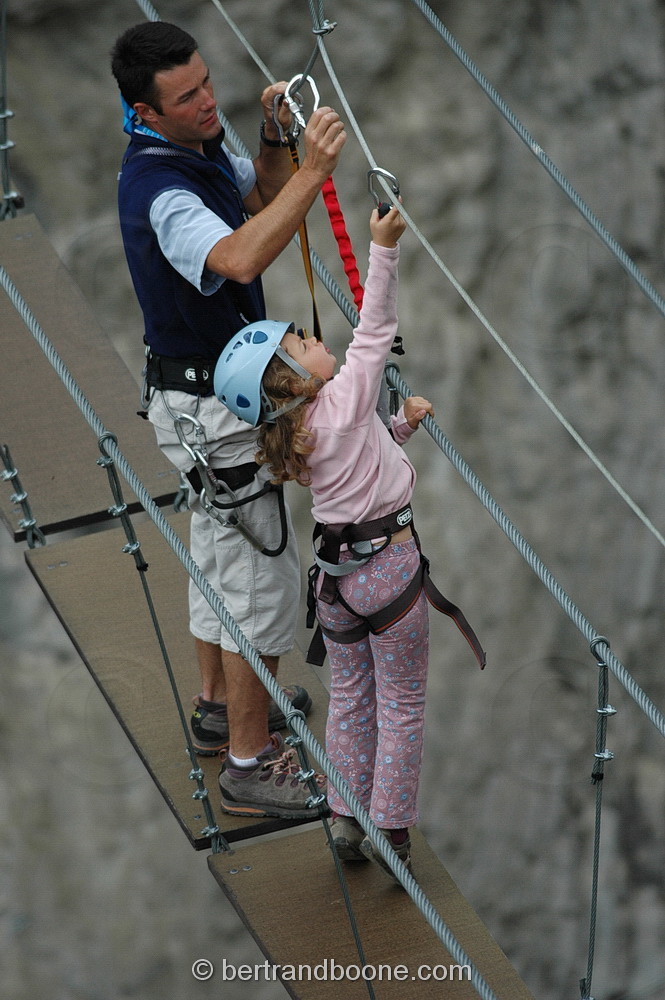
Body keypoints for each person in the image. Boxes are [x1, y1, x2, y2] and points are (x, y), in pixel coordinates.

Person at [111, 21, 346, 818]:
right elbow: (241, 257)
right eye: (188, 97)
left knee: (218, 557)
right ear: (145, 111)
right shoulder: (162, 193)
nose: (208, 102)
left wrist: (275, 141)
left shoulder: (198, 148)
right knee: (260, 584)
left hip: (196, 399)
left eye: (207, 83)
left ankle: (220, 710)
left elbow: (259, 196)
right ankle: (250, 762)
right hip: (215, 410)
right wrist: (315, 173)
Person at [214, 205, 474, 878]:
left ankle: (343, 816)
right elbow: (376, 330)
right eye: (301, 341)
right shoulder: (344, 395)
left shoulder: (299, 431)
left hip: (336, 586)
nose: (312, 335)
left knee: (353, 700)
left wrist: (400, 427)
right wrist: (381, 248)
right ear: (296, 380)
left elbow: (355, 461)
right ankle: (391, 828)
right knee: (403, 703)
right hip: (386, 569)